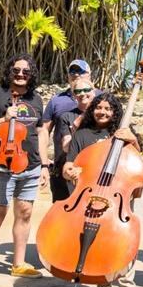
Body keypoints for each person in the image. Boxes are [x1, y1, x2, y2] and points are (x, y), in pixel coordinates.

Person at [0, 55, 48, 286]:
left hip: (30, 165)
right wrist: (2, 120)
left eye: (26, 71)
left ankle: (19, 264)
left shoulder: (36, 99)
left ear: (32, 74)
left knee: (24, 213)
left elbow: (41, 132)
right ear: (9, 72)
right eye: (16, 70)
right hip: (1, 165)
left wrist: (44, 164)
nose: (21, 74)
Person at [62, 92, 142, 287]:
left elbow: (137, 161)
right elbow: (69, 164)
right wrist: (69, 171)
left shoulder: (123, 133)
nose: (103, 112)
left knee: (123, 240)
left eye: (108, 109)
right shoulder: (82, 135)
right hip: (89, 196)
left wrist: (133, 139)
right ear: (92, 110)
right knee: (98, 241)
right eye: (99, 107)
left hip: (118, 195)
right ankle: (102, 284)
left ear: (115, 112)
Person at [38, 59, 95, 201]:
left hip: (95, 167)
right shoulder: (57, 100)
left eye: (81, 71)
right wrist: (43, 163)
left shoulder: (102, 99)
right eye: (73, 71)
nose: (77, 74)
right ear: (68, 76)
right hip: (62, 166)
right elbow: (44, 131)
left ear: (89, 74)